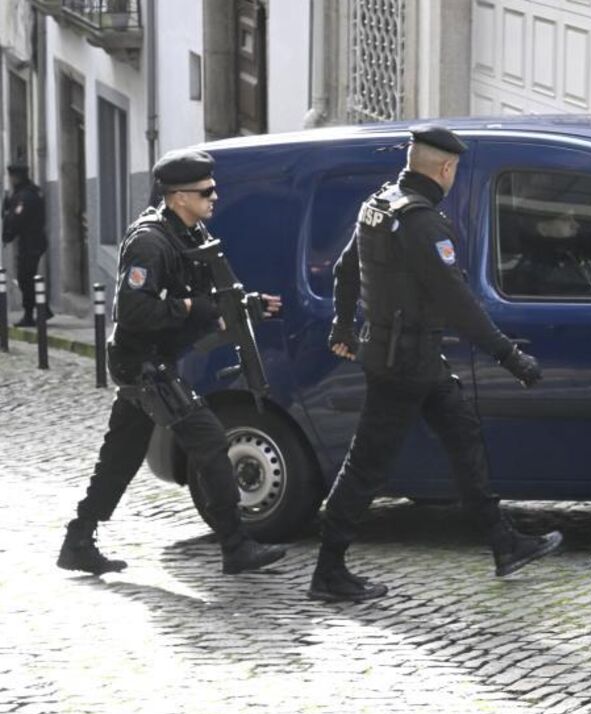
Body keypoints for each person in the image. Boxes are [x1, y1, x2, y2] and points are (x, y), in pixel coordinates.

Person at [309, 125, 561, 602]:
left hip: (409, 356)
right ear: (445, 169)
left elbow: (345, 270)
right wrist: (511, 357)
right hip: (404, 364)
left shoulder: (379, 206)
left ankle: (503, 541)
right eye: (455, 171)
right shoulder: (423, 224)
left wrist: (343, 326)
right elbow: (457, 304)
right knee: (366, 464)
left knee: (463, 437)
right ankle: (328, 571)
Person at [57, 149, 289, 576]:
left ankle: (77, 540)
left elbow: (211, 295)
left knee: (122, 455)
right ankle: (235, 547)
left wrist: (250, 305)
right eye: (206, 191)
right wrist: (187, 308)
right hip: (141, 364)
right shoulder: (151, 242)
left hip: (155, 360)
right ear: (178, 196)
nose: (214, 196)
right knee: (211, 441)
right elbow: (133, 312)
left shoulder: (191, 234)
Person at [2, 163, 49, 327]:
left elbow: (17, 219)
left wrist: (8, 234)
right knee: (29, 277)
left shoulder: (25, 196)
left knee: (25, 278)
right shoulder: (31, 191)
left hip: (31, 242)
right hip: (34, 240)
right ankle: (43, 308)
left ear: (16, 177)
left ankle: (30, 314)